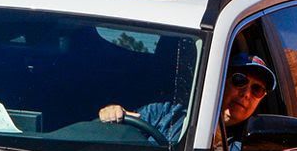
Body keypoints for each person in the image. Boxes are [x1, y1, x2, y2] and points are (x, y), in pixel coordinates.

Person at [99, 53, 274, 145]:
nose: (246, 94)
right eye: (239, 80)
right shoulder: (166, 112)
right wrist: (112, 114)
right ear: (221, 81)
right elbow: (121, 130)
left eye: (257, 89)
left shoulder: (249, 148)